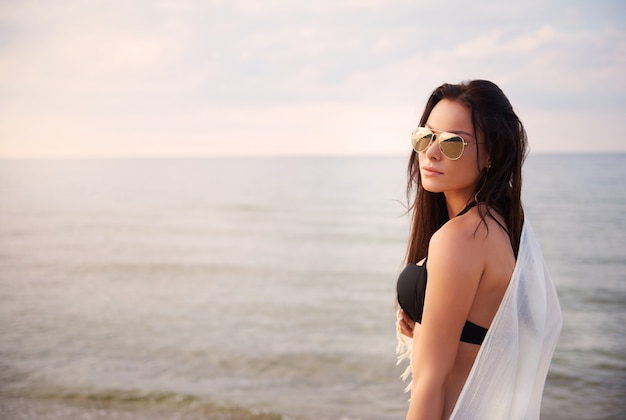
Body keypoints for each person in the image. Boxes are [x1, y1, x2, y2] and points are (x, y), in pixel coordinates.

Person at [395, 80, 562, 419]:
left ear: (491, 155)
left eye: (453, 142)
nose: (432, 151)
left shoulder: (461, 238)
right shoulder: (495, 226)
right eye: (426, 135)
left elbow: (431, 381)